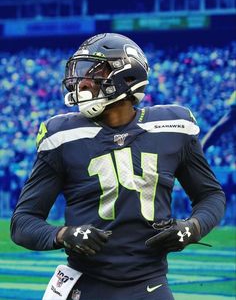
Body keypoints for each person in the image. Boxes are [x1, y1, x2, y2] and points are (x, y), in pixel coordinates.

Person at [11, 33, 226, 300]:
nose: (82, 82)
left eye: (93, 72)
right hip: (85, 285)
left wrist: (193, 227)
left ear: (127, 77)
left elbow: (211, 195)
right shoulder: (62, 136)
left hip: (150, 284)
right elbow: (22, 223)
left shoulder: (173, 127)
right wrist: (64, 234)